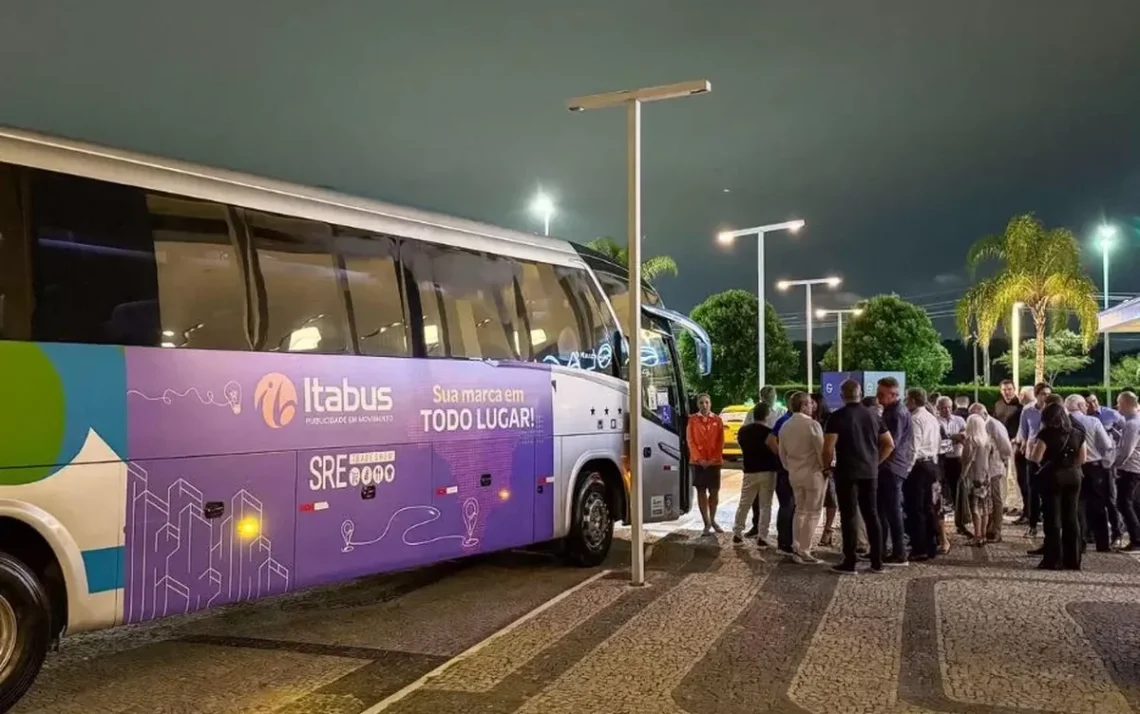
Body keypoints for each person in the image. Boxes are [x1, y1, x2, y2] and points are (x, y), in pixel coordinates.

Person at [823, 379, 893, 574]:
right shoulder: (873, 416)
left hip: (846, 472)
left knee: (849, 516)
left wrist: (826, 467)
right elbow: (889, 444)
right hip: (870, 472)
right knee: (872, 514)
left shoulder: (836, 417)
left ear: (842, 395)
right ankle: (877, 561)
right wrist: (876, 462)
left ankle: (850, 561)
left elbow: (828, 448)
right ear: (860, 394)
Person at [1029, 401, 1087, 570]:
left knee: (1053, 518)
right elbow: (1083, 458)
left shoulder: (1046, 434)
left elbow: (1036, 457)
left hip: (1053, 477)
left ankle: (1053, 559)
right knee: (1071, 517)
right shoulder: (1077, 433)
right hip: (1074, 476)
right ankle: (1073, 559)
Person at [779, 393, 827, 564]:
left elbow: (782, 454)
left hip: (794, 474)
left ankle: (796, 546)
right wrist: (825, 468)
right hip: (814, 474)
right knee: (813, 512)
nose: (812, 406)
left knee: (799, 510)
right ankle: (805, 550)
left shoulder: (785, 426)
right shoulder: (812, 425)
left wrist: (791, 467)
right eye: (809, 403)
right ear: (803, 405)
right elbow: (821, 451)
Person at [1065, 394, 1114, 553]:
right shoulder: (1093, 421)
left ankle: (1080, 542)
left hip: (1072, 468)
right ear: (1079, 406)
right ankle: (1102, 543)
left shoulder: (1064, 423)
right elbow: (1107, 445)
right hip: (1094, 468)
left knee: (1077, 506)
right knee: (1098, 506)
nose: (1087, 407)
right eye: (1085, 404)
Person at [732, 402, 780, 547]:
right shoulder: (769, 432)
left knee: (744, 503)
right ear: (767, 415)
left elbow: (742, 447)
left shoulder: (743, 431)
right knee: (766, 505)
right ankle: (762, 537)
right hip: (767, 471)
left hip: (750, 470)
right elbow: (775, 451)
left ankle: (737, 534)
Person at [877, 377, 912, 566]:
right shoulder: (893, 411)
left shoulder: (896, 413)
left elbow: (890, 444)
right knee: (885, 509)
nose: (878, 397)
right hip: (893, 466)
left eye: (882, 394)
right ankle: (882, 549)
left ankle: (899, 552)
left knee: (892, 510)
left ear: (894, 394)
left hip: (891, 467)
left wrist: (876, 462)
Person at [968, 402, 1014, 542]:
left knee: (995, 498)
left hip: (993, 467)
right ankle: (987, 530)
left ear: (985, 414)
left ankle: (996, 530)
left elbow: (1006, 448)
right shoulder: (980, 424)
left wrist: (1003, 461)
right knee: (986, 501)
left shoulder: (994, 425)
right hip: (984, 468)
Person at [907, 387, 942, 561]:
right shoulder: (931, 417)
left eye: (907, 400)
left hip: (919, 466)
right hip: (931, 464)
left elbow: (914, 446)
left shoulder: (915, 419)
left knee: (916, 508)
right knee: (930, 507)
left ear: (913, 400)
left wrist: (907, 469)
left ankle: (919, 547)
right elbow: (937, 441)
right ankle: (931, 544)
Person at [1086, 392, 1124, 548]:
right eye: (1089, 403)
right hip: (1092, 463)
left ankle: (1117, 532)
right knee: (1092, 501)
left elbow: (1126, 430)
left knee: (1110, 499)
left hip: (1107, 462)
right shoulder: (1085, 419)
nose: (1093, 405)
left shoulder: (1110, 415)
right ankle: (1091, 533)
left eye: (1094, 401)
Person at [1016, 382, 1052, 537]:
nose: (1046, 397)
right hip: (1032, 454)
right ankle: (1032, 524)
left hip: (1049, 454)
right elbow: (1023, 430)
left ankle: (1049, 524)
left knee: (1049, 491)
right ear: (1036, 395)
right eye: (1043, 394)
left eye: (1048, 394)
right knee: (1032, 490)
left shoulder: (1054, 410)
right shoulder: (1028, 410)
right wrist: (1023, 443)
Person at [686, 393, 724, 535]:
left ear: (711, 403)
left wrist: (713, 459)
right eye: (701, 403)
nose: (704, 405)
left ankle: (713, 519)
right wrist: (699, 459)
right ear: (697, 404)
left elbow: (721, 442)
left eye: (706, 402)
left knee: (714, 492)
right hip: (698, 462)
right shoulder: (692, 420)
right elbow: (691, 441)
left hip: (714, 463)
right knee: (701, 491)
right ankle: (706, 523)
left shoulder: (718, 420)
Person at [769, 397, 799, 555]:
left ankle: (789, 540)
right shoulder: (785, 421)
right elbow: (771, 440)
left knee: (792, 506)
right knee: (787, 505)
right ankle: (784, 542)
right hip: (786, 472)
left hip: (790, 470)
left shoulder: (789, 420)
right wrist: (784, 458)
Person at [936, 396, 969, 536]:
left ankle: (960, 523)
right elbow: (938, 445)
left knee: (958, 492)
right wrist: (953, 439)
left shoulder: (959, 420)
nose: (947, 410)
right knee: (942, 493)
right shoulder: (936, 422)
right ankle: (940, 527)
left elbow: (966, 436)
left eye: (949, 407)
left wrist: (954, 438)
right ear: (938, 408)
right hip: (942, 461)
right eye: (943, 408)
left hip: (957, 459)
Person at [960, 414, 995, 547]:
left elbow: (967, 461)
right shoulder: (987, 440)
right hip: (986, 476)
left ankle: (977, 535)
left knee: (975, 508)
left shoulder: (971, 441)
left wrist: (962, 476)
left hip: (974, 476)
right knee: (985, 507)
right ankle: (984, 535)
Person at [993, 379, 1025, 520]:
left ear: (1014, 389)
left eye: (1010, 389)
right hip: (1000, 444)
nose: (1007, 392)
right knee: (1001, 474)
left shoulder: (1021, 406)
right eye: (1004, 389)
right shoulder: (998, 405)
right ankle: (1004, 502)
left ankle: (1018, 504)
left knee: (1015, 474)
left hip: (1014, 443)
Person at [811, 393, 839, 547]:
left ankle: (828, 529)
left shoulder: (829, 419)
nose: (810, 405)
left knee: (831, 498)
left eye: (812, 402)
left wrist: (829, 464)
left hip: (829, 464)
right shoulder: (807, 420)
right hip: (812, 465)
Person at [1114, 391, 1140, 552]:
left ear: (1124, 403)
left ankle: (1136, 539)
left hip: (1130, 468)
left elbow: (1126, 450)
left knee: (1124, 503)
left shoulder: (1132, 424)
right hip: (1136, 468)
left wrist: (1116, 465)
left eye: (1119, 403)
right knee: (1134, 503)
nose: (1117, 406)